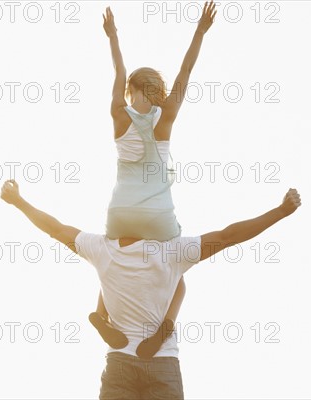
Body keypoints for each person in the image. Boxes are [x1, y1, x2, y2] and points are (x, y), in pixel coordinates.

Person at [0, 180, 301, 399]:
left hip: (119, 361)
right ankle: (159, 325)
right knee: (176, 283)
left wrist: (19, 202)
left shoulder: (101, 247)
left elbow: (56, 228)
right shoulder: (172, 250)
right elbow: (228, 236)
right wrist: (280, 211)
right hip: (162, 364)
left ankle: (103, 318)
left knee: (119, 280)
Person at [91, 1, 218, 357]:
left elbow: (119, 69)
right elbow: (185, 71)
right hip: (158, 220)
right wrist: (200, 32)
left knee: (111, 260)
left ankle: (103, 316)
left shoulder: (118, 114)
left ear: (131, 92)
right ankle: (165, 327)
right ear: (156, 91)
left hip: (120, 216)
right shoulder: (167, 116)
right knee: (179, 278)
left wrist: (113, 35)